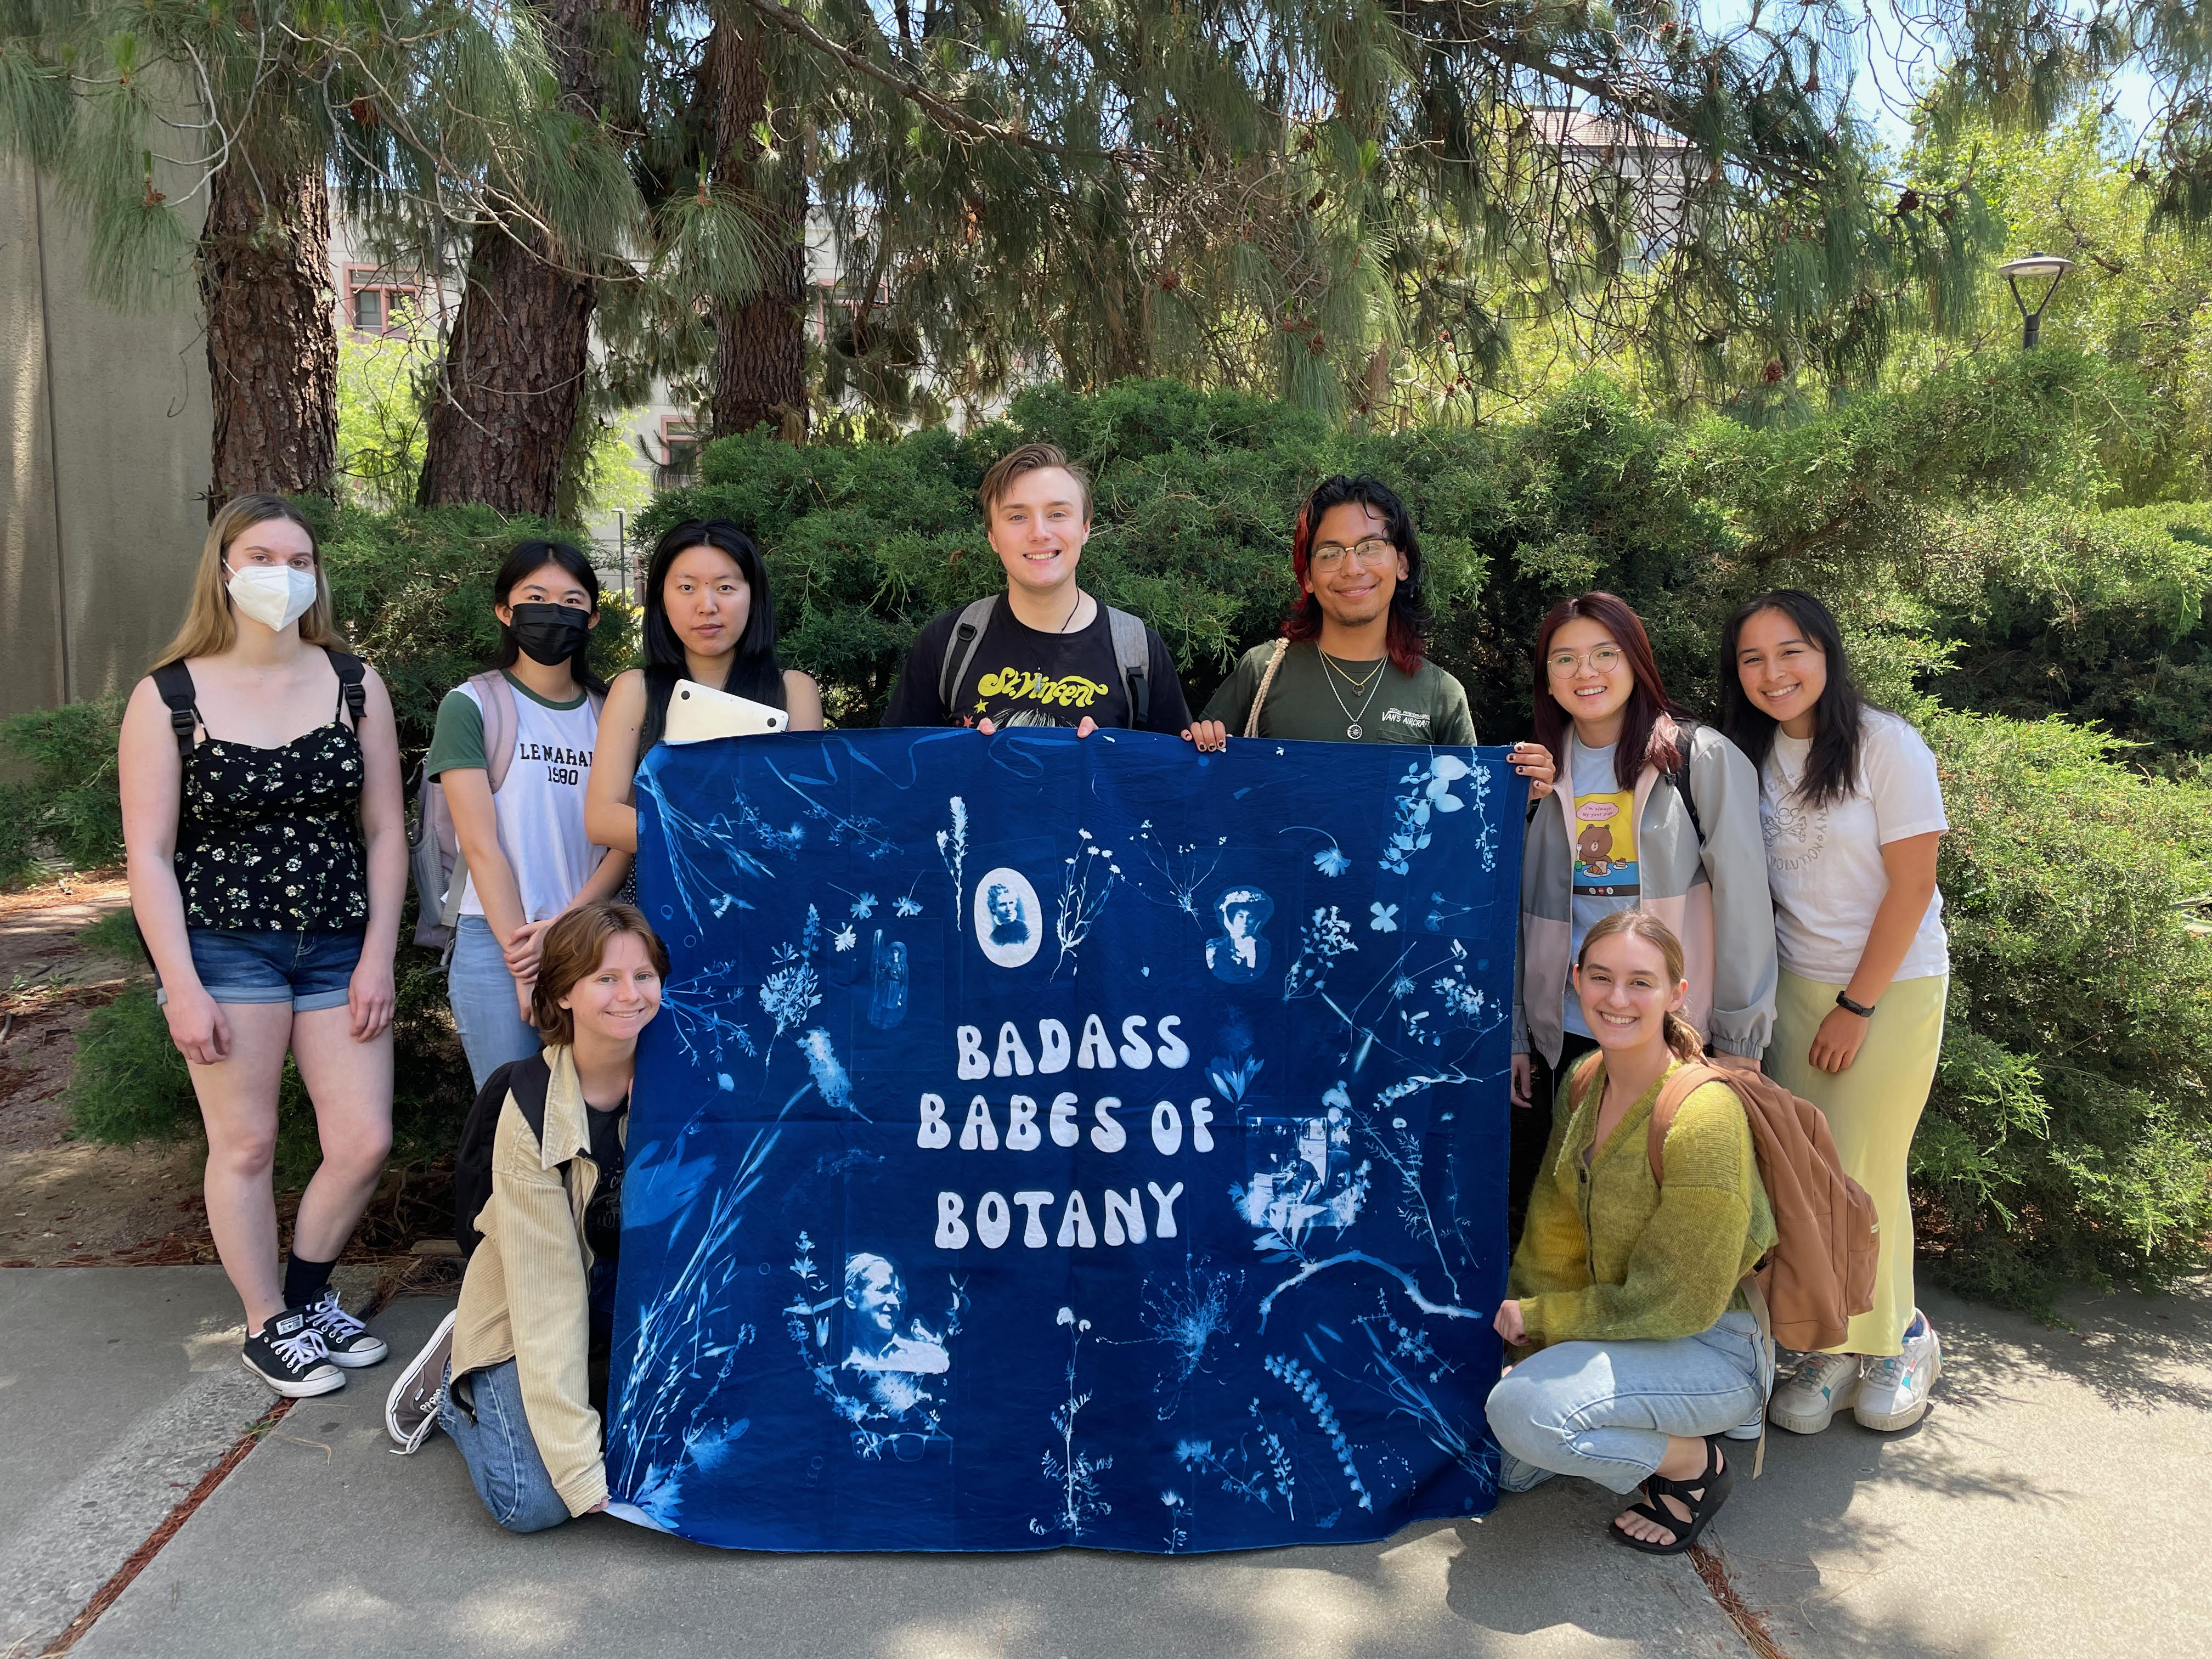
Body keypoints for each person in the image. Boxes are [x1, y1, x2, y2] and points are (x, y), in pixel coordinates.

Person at [119, 493, 405, 1397]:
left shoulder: (354, 683)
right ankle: (265, 1322)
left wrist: (378, 954)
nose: (283, 574)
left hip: (337, 944)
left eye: (299, 559)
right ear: (224, 568)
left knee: (362, 1140)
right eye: (262, 557)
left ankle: (309, 1298)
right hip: (224, 948)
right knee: (245, 1145)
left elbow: (386, 831)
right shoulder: (169, 695)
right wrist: (181, 984)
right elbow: (148, 854)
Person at [1722, 590, 1949, 1433]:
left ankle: (1900, 1340)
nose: (1773, 672)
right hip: (1794, 986)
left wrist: (1857, 1005)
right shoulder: (1750, 752)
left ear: (1827, 653)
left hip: (1887, 988)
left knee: (1865, 1168)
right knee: (1809, 1173)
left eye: (1791, 651)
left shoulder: (1886, 745)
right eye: (1753, 658)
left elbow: (1913, 886)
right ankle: (1833, 1345)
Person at [1487, 910, 1776, 1554]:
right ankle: (1582, 1415)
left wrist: (1547, 1321)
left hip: (1710, 1344)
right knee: (1506, 1457)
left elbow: (1679, 1299)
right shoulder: (1585, 1080)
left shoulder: (1703, 1116)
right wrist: (1527, 1347)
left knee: (1521, 1413)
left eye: (1640, 982)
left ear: (1677, 993)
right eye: (1601, 977)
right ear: (1575, 981)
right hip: (1620, 1327)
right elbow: (1554, 1232)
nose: (1617, 999)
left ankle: (1694, 1466)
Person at [1509, 592, 1775, 1224]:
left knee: (1665, 1212)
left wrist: (1740, 1041)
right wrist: (1518, 1033)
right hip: (1569, 1030)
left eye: (1605, 654)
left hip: (1677, 1028)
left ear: (1636, 661)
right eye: (1565, 658)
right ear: (1547, 676)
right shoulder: (1533, 772)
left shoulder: (1697, 758)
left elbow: (1744, 904)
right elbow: (1510, 912)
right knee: (1574, 1212)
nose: (1586, 672)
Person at [439, 902, 667, 1532]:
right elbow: (547, 1297)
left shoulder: (679, 1085)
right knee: (533, 1503)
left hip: (622, 1311)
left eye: (644, 976)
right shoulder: (530, 1107)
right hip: (531, 1305)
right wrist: (576, 1468)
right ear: (564, 993)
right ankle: (454, 1391)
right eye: (605, 979)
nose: (630, 995)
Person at [1180, 475, 1556, 800]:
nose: (1352, 568)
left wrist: (1516, 794)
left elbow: (1465, 821)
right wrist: (1200, 749)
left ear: (1402, 563)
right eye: (1330, 553)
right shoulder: (1262, 671)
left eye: (1370, 548)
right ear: (1308, 577)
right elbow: (1195, 794)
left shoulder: (1441, 695)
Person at [426, 540, 632, 1091]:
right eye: (536, 598)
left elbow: (625, 839)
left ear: (592, 618)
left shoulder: (613, 712)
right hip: (495, 942)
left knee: (597, 1113)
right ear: (505, 610)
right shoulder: (470, 704)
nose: (554, 612)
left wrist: (564, 932)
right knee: (512, 1117)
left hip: (593, 939)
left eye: (572, 601)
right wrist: (525, 960)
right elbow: (480, 845)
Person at [879, 443, 1194, 736]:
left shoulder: (1139, 650)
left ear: (1085, 528)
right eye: (1017, 516)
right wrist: (969, 759)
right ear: (993, 537)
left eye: (1057, 514)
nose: (1039, 533)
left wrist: (1107, 759)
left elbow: (1170, 770)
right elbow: (898, 765)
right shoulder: (946, 642)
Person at [585, 519, 823, 858]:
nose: (707, 606)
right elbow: (602, 819)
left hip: (762, 885)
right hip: (664, 887)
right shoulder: (635, 689)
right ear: (661, 598)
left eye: (725, 587)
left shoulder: (794, 691)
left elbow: (801, 816)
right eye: (687, 587)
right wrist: (720, 837)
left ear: (754, 596)